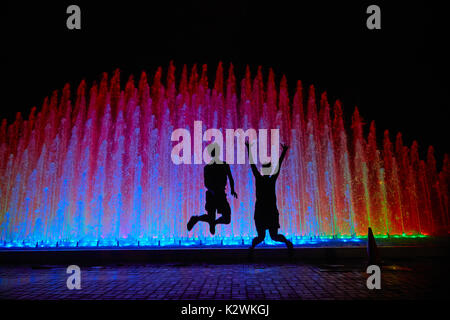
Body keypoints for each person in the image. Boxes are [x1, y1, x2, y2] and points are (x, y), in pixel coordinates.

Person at [245, 141, 293, 251]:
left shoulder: (262, 179)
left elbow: (252, 165)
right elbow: (278, 165)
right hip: (267, 210)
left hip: (265, 210)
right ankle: (252, 248)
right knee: (270, 236)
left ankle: (252, 248)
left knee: (267, 236)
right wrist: (284, 152)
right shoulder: (269, 179)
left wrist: (248, 149)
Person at [187, 142, 238, 235]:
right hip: (212, 195)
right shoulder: (208, 167)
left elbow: (230, 178)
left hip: (220, 194)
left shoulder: (223, 165)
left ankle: (210, 222)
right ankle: (200, 220)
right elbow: (206, 183)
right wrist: (213, 191)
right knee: (212, 217)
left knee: (226, 219)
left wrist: (232, 190)